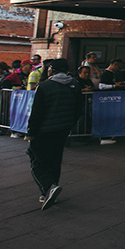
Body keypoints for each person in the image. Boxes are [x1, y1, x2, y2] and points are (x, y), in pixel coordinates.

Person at [26, 58, 82, 210]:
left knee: (37, 160)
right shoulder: (75, 84)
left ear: (52, 70)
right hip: (63, 129)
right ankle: (51, 190)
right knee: (55, 159)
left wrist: (31, 131)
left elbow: (37, 112)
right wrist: (70, 125)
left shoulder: (44, 86)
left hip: (45, 129)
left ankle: (48, 187)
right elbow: (78, 109)